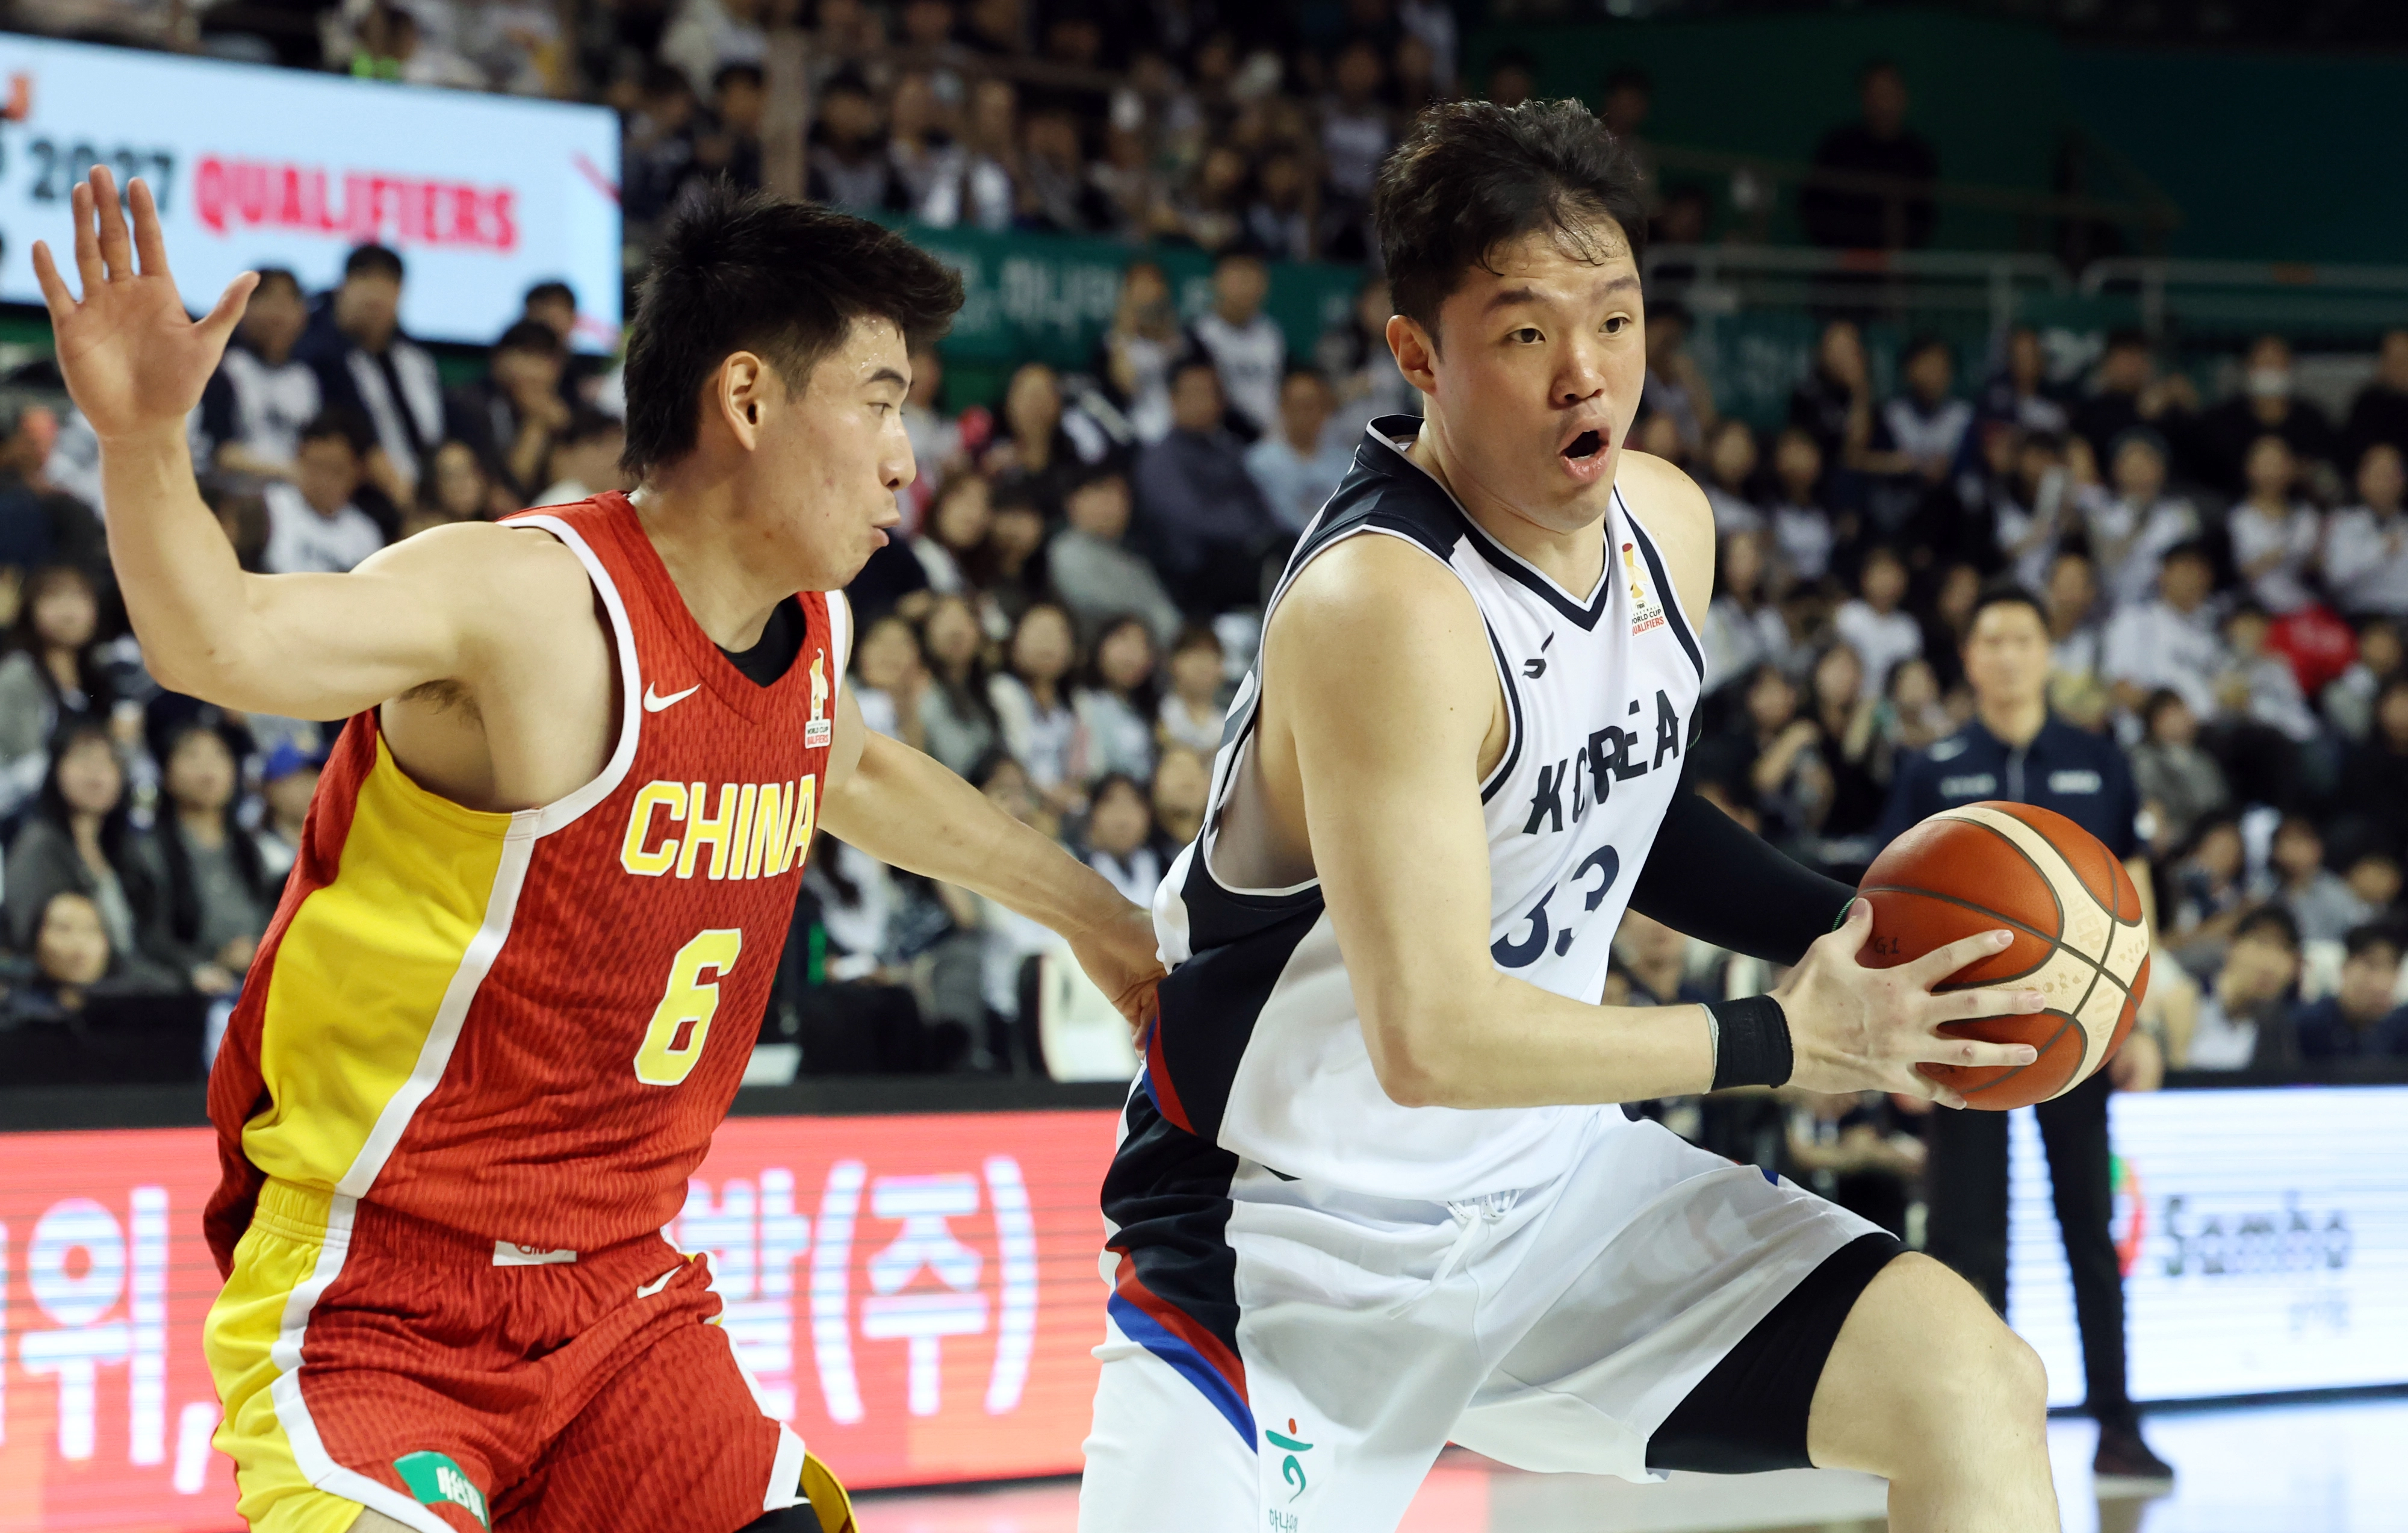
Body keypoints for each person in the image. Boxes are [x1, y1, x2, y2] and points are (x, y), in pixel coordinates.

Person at [39, 169, 1162, 1533]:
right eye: (877, 398)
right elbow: (217, 640)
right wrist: (147, 440)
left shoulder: (811, 639)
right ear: (747, 400)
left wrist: (1099, 921)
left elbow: (854, 768)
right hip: (383, 1297)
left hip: (621, 1300)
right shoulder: (530, 599)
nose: (905, 455)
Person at [1083, 101, 2065, 1533]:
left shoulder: (1664, 524)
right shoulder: (1384, 606)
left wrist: (1879, 937)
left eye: (1614, 318)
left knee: (1970, 1381)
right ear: (1417, 352)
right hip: (1289, 1239)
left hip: (1549, 1191)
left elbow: (1633, 803)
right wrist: (1783, 1037)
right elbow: (1431, 1038)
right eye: (1525, 332)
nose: (1584, 373)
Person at [1874, 580, 2171, 1485]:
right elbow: (1886, 904)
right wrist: (1896, 1039)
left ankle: (2118, 1425)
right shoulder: (1934, 768)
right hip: (1960, 1037)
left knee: (2089, 1228)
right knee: (1967, 1235)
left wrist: (2140, 1022)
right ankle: (1976, 1426)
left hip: (2074, 1040)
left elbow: (2136, 897)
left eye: (2021, 638)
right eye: (1989, 639)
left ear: (2048, 654)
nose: (2005, 653)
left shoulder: (2099, 760)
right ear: (1969, 658)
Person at [127, 723, 278, 998]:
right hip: (193, 992)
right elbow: (150, 937)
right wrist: (200, 967)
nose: (208, 768)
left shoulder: (251, 848)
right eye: (192, 755)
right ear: (167, 773)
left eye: (219, 755)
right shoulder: (148, 851)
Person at [296, 244, 446, 506]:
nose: (376, 297)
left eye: (387, 288)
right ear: (343, 288)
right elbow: (357, 440)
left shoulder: (416, 360)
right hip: (362, 497)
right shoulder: (317, 351)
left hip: (425, 487)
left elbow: (436, 437)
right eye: (365, 283)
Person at [1132, 360, 1283, 614]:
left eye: (1211, 393)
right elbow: (1191, 518)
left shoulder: (1228, 448)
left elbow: (1259, 503)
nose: (1204, 401)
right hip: (1195, 570)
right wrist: (1252, 531)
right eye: (1194, 393)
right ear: (1173, 399)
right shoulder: (1161, 458)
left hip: (1245, 555)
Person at [1799, 60, 1938, 251]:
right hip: (1839, 269)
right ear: (1863, 97)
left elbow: (1924, 217)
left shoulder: (1918, 156)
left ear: (1903, 97)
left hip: (1895, 272)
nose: (1881, 103)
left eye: (1888, 93)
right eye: (1874, 94)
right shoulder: (1837, 148)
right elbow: (1812, 206)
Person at [200, 267, 321, 482]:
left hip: (299, 499)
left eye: (288, 302)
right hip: (242, 494)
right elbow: (221, 453)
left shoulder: (306, 379)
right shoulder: (226, 370)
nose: (279, 315)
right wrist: (290, 474)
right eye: (268, 300)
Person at [1048, 467, 1183, 648]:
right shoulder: (1066, 550)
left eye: (1122, 497)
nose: (1115, 505)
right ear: (1074, 502)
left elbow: (1168, 618)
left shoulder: (1134, 561)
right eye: (1103, 494)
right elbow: (1093, 605)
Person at [260, 414, 386, 575]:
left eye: (335, 471)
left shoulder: (366, 536)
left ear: (356, 474)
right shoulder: (270, 507)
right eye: (316, 467)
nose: (324, 481)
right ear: (298, 460)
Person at [1184, 251, 1286, 440]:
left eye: (1253, 278)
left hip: (1270, 442)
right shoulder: (1200, 334)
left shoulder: (1272, 335)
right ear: (1216, 281)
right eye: (1238, 278)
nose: (1246, 287)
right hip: (1221, 440)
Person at [1244, 369, 1353, 533]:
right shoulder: (1259, 463)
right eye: (1298, 406)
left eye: (1312, 406)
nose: (1305, 415)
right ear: (1283, 408)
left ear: (1325, 410)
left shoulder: (1347, 463)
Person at [2290, 924, 2408, 1061]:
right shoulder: (2304, 1025)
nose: (2381, 984)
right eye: (2371, 965)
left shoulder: (2400, 1028)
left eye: (2392, 968)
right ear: (2345, 966)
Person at [2326, 442, 2408, 618]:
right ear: (2361, 480)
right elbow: (2337, 576)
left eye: (2392, 475)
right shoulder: (2343, 523)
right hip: (2361, 614)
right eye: (2378, 475)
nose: (2385, 484)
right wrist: (2381, 548)